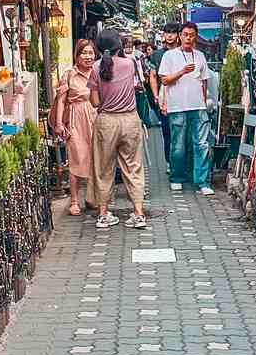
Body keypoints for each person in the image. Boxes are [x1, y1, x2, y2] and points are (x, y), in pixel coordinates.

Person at [89, 29, 147, 230]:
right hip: (130, 120)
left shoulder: (96, 67)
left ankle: (104, 214)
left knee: (103, 169)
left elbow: (95, 101)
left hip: (106, 122)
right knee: (133, 167)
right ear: (119, 45)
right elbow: (137, 85)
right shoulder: (130, 63)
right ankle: (138, 213)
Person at [159, 21, 213, 194]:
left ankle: (202, 182)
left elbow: (204, 82)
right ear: (180, 36)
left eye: (192, 35)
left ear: (195, 36)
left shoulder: (200, 56)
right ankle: (177, 177)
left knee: (201, 144)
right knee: (178, 145)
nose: (188, 38)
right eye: (185, 35)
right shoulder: (169, 56)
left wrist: (204, 102)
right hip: (177, 106)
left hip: (198, 106)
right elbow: (165, 80)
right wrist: (182, 71)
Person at [53, 37, 98, 215]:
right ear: (77, 56)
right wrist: (58, 123)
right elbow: (61, 101)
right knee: (76, 159)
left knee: (95, 159)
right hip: (75, 119)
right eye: (84, 53)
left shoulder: (97, 72)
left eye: (91, 53)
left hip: (95, 117)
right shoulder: (69, 74)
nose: (88, 56)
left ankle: (92, 197)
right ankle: (73, 200)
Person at [148, 21, 181, 160]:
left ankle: (180, 161)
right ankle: (168, 160)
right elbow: (153, 76)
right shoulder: (156, 55)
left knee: (180, 132)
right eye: (167, 32)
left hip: (181, 96)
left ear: (178, 35)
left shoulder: (183, 53)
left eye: (173, 32)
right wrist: (156, 95)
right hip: (164, 97)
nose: (169, 36)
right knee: (167, 131)